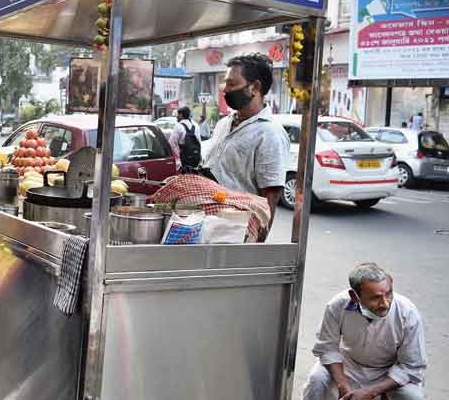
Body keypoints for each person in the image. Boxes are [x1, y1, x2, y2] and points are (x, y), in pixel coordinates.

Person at [303, 263, 426, 400]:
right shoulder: (337, 305)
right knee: (316, 379)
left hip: (389, 371)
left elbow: (411, 366)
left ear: (391, 283)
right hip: (349, 366)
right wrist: (343, 385)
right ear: (355, 297)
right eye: (375, 298)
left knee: (413, 396)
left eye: (388, 294)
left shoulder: (408, 313)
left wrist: (373, 391)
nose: (385, 303)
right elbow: (327, 348)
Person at [202, 54, 290, 237]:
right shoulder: (223, 123)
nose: (225, 90)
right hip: (207, 225)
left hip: (236, 233)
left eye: (232, 84)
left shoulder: (269, 134)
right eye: (225, 84)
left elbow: (270, 196)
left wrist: (255, 247)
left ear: (255, 88)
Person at [168, 106, 202, 171]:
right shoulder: (196, 126)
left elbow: (171, 144)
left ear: (181, 115)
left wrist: (178, 161)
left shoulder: (178, 126)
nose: (176, 117)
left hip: (183, 164)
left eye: (177, 115)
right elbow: (199, 144)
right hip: (195, 163)